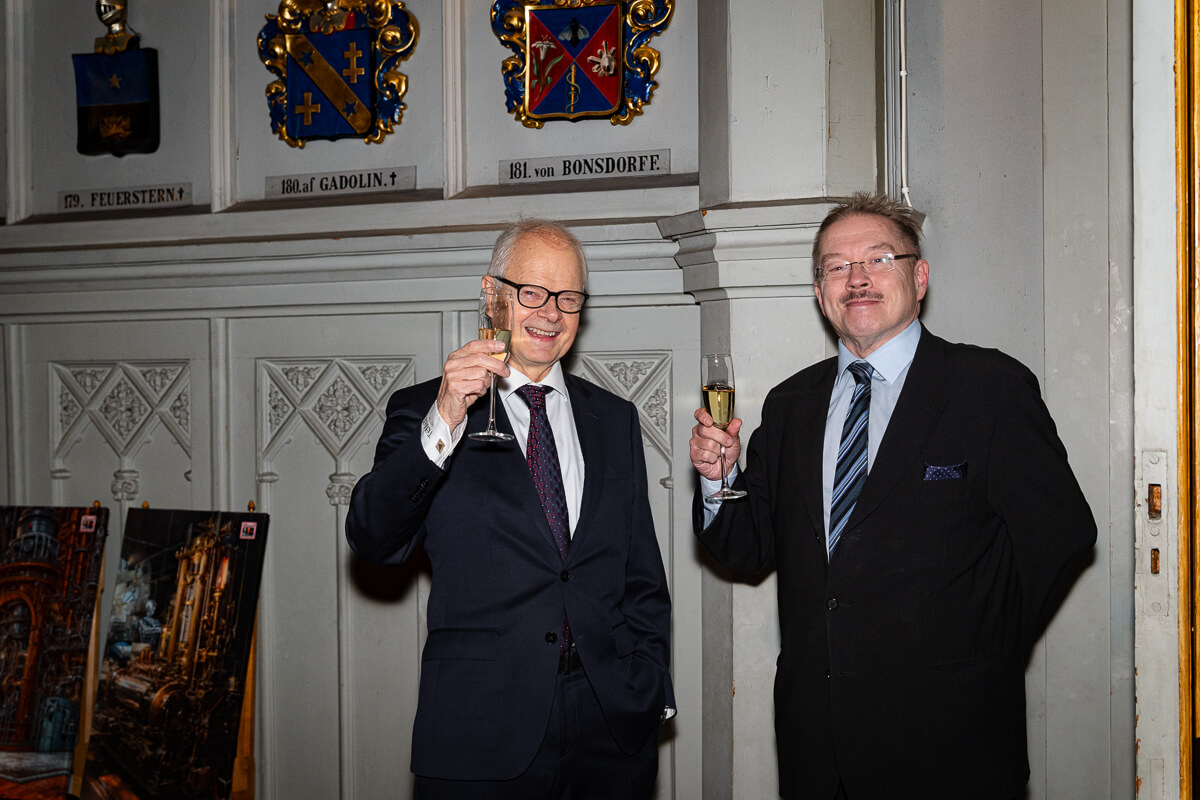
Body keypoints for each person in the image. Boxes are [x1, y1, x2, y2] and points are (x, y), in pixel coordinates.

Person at [688, 193, 1096, 800]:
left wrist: (984, 649)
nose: (857, 278)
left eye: (879, 259)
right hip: (818, 746)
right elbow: (749, 549)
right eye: (836, 266)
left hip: (951, 741)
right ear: (820, 292)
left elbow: (1061, 536)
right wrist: (718, 481)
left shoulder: (989, 388)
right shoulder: (791, 403)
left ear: (919, 277)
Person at [346, 219, 673, 799]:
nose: (551, 312)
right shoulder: (425, 410)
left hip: (611, 731)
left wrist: (648, 689)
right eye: (532, 292)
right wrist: (446, 417)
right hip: (481, 731)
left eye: (568, 297)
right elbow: (374, 538)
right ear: (492, 294)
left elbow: (641, 575)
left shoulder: (614, 419)